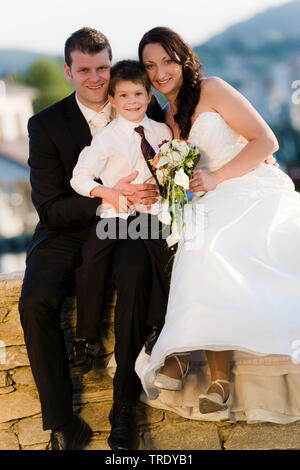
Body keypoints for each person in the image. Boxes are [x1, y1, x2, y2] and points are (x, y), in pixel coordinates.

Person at [135, 26, 300, 424]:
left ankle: (203, 370)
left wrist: (217, 178)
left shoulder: (214, 88)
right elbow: (182, 176)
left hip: (249, 184)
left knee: (207, 245)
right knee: (194, 242)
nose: (160, 73)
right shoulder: (166, 117)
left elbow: (266, 141)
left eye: (167, 62)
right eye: (150, 66)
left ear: (183, 59)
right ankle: (209, 374)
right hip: (210, 197)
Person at [18, 27, 164, 451]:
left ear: (113, 66)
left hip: (129, 228)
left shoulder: (139, 112)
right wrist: (112, 197)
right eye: (85, 70)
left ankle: (125, 409)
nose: (96, 78)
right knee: (34, 300)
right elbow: (51, 207)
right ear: (69, 71)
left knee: (136, 272)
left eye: (103, 67)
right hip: (68, 229)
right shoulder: (44, 125)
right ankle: (63, 424)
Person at [70, 59, 173, 450]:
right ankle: (89, 335)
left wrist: (165, 189)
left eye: (140, 94)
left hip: (154, 220)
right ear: (112, 99)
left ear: (150, 95)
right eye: (125, 95)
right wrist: (110, 192)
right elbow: (80, 177)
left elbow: (172, 178)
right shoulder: (107, 138)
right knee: (99, 262)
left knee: (170, 255)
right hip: (118, 221)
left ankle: (156, 324)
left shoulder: (163, 132)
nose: (133, 101)